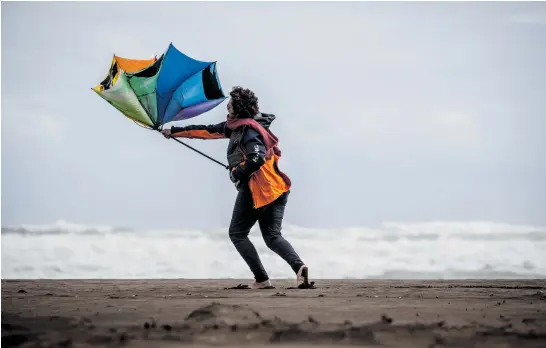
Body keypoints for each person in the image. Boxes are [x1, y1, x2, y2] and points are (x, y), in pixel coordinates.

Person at [161, 86, 311, 289]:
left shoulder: (248, 131)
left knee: (237, 233)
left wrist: (236, 172)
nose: (227, 107)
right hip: (278, 189)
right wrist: (174, 132)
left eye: (230, 104)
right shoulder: (240, 127)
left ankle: (261, 279)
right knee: (273, 237)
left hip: (258, 189)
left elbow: (256, 159)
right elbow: (207, 131)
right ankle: (299, 267)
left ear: (237, 109)